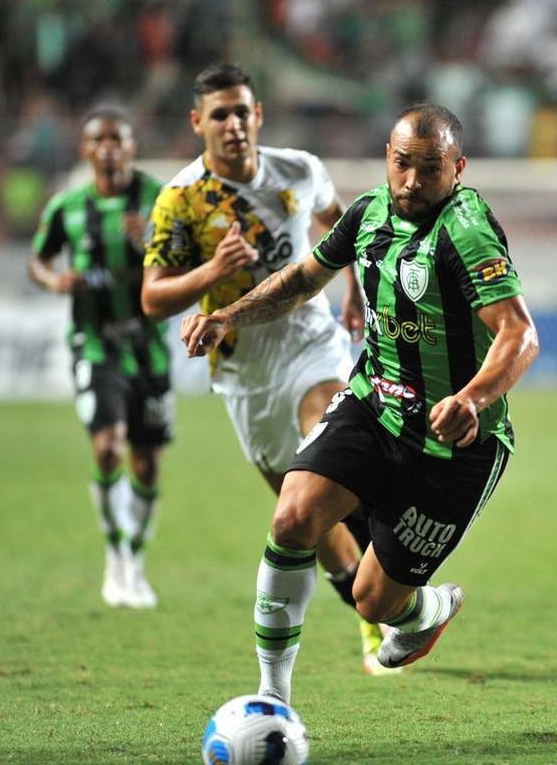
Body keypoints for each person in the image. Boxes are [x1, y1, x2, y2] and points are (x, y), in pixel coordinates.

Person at [178, 103, 538, 705]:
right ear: (387, 159)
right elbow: (301, 280)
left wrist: (472, 398)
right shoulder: (368, 212)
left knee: (377, 602)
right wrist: (226, 317)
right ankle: (272, 699)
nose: (413, 182)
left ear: (458, 169)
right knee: (293, 519)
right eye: (402, 164)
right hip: (374, 405)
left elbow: (519, 334)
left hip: (455, 447)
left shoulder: (465, 230)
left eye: (430, 169)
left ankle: (429, 608)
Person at [140, 63, 391, 673]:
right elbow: (152, 297)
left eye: (241, 111)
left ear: (258, 115)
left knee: (329, 444)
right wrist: (211, 271)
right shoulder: (180, 200)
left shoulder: (299, 170)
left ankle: (391, 592)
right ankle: (369, 614)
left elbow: (338, 223)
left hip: (311, 341)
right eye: (219, 114)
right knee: (300, 511)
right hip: (243, 372)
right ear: (198, 123)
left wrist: (354, 287)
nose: (233, 123)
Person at [29, 106, 172, 610]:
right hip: (94, 342)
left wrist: (153, 242)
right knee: (108, 449)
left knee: (147, 463)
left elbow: (190, 257)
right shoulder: (68, 206)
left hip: (148, 344)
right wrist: (55, 281)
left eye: (119, 139)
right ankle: (117, 559)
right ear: (85, 150)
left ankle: (136, 557)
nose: (109, 147)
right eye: (99, 140)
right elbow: (38, 260)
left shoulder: (160, 199)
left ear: (132, 146)